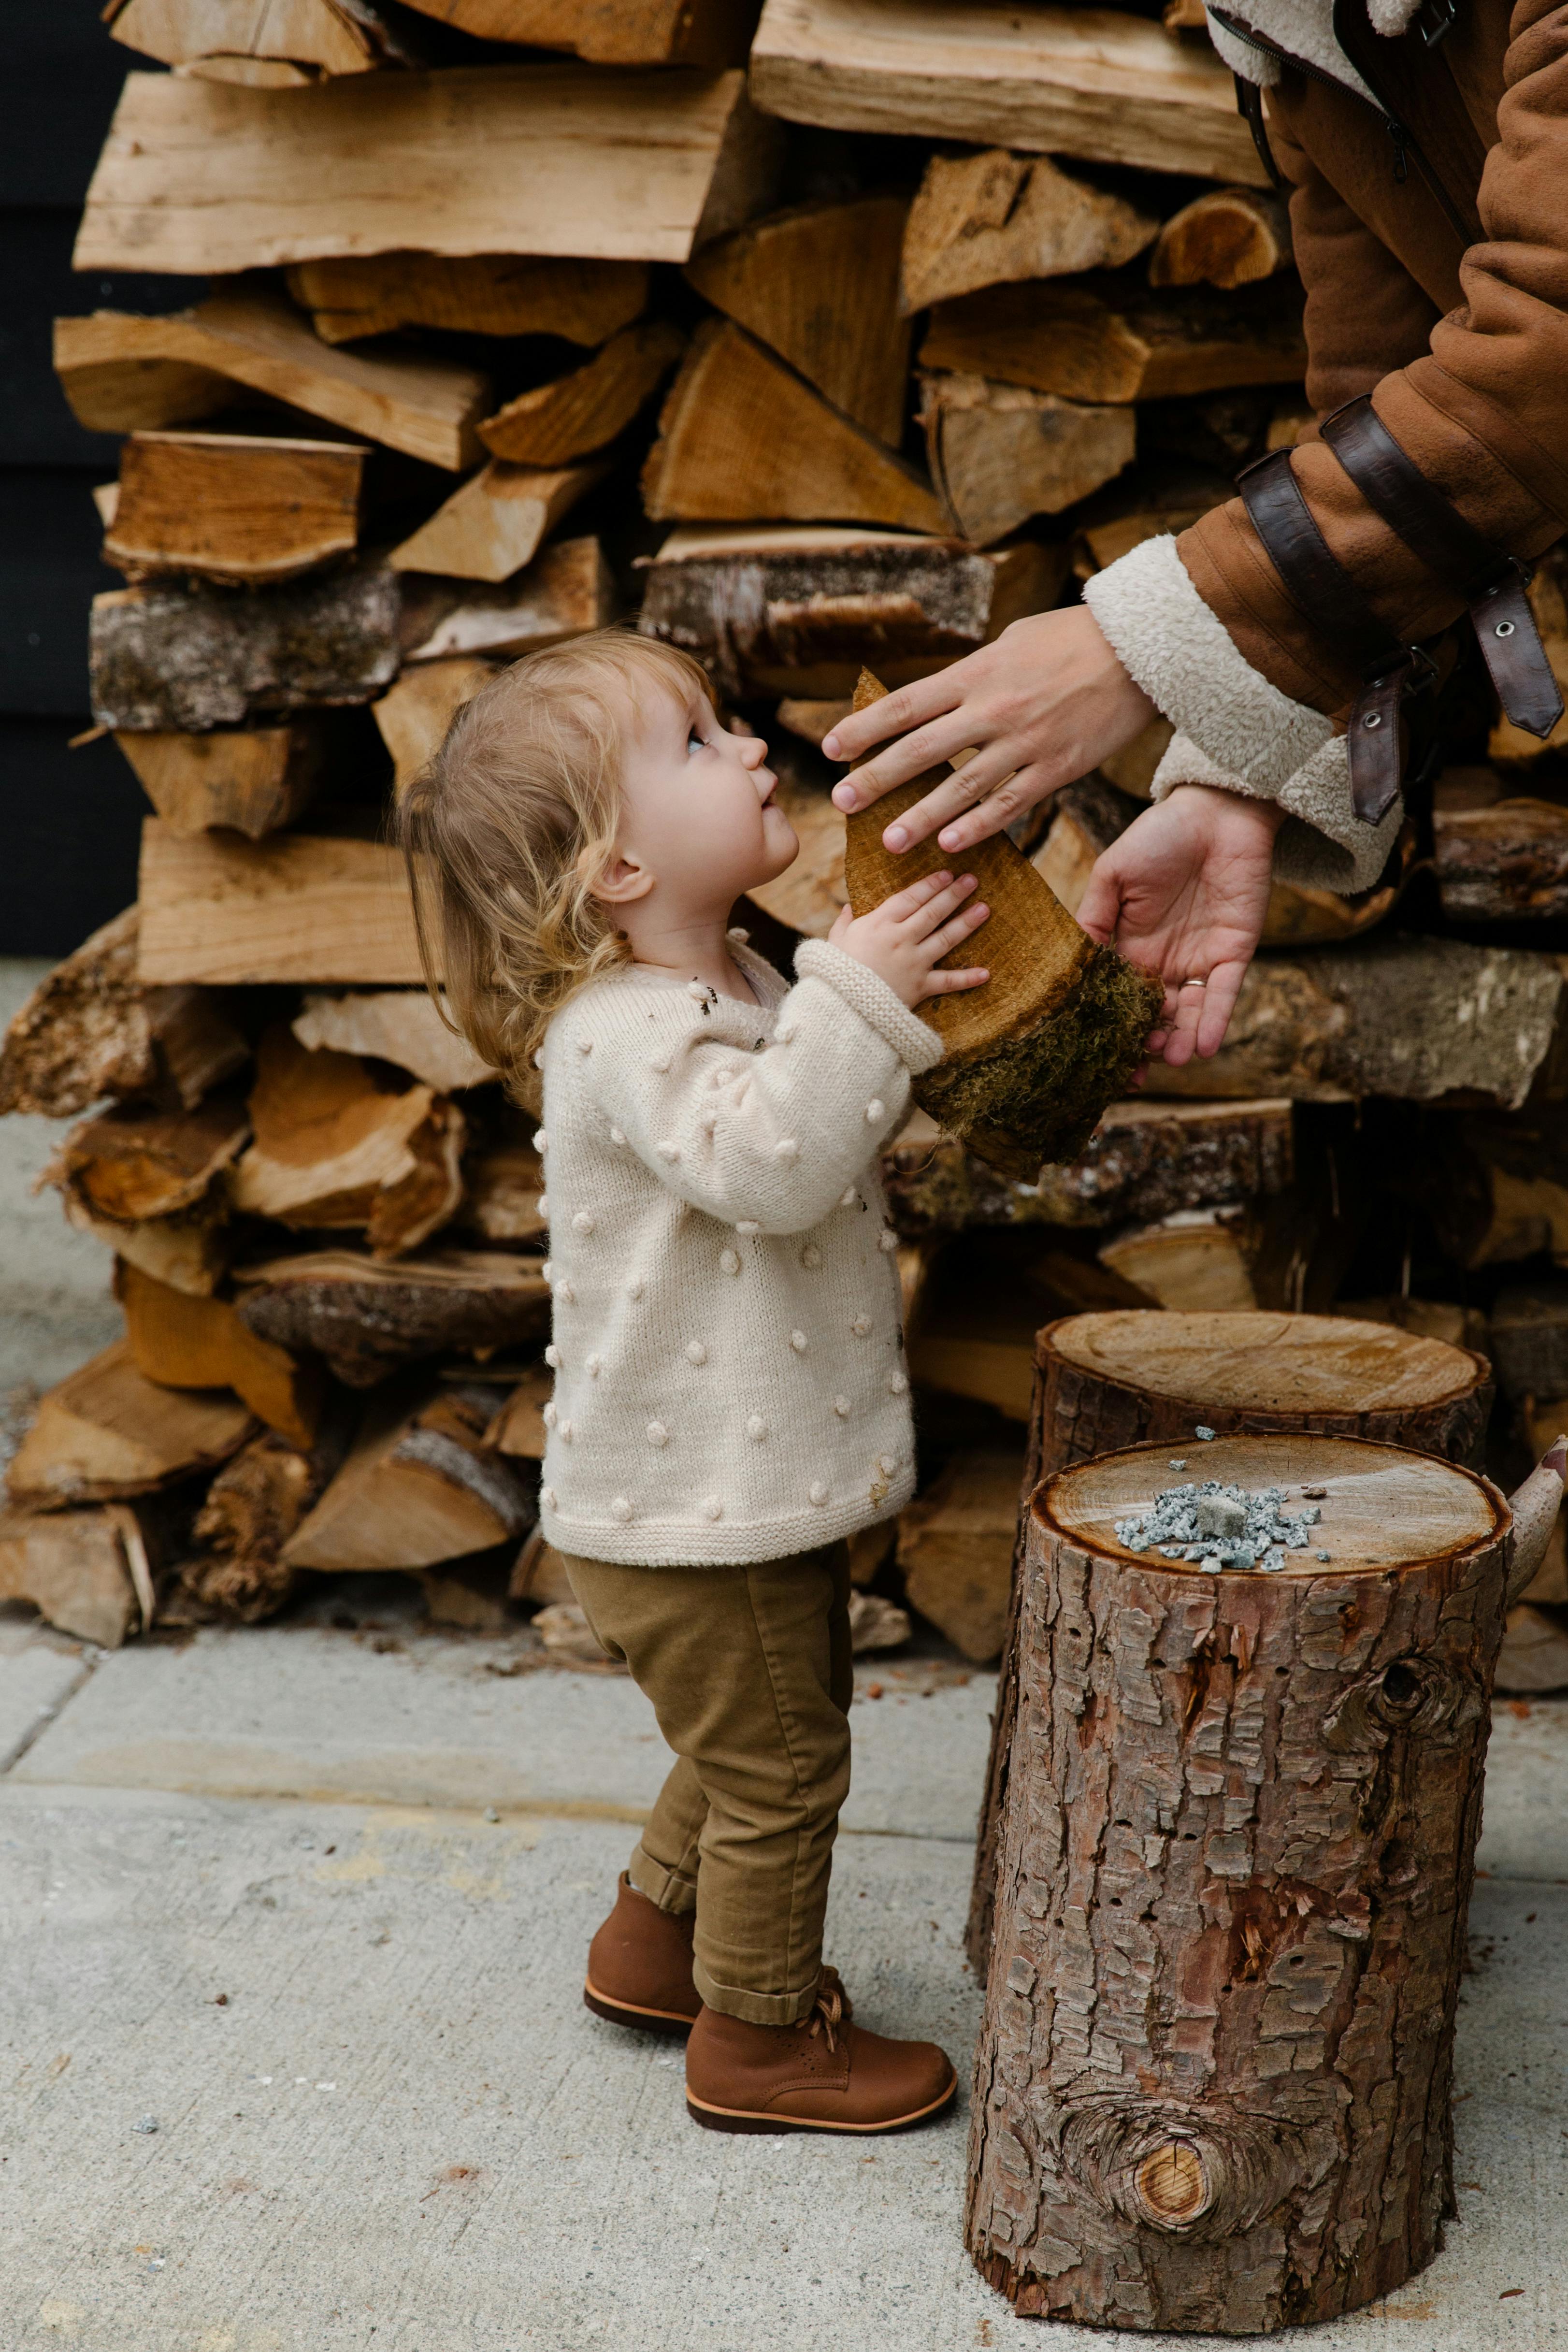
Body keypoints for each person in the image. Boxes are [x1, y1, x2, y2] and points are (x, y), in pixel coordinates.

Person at [397, 629, 993, 2135]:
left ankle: (649, 1948)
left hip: (732, 1482)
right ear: (613, 870)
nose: (745, 747)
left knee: (741, 1734)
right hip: (683, 1503)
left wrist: (862, 990)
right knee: (787, 1763)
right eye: (694, 742)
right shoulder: (622, 1028)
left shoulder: (731, 967)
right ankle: (758, 2036)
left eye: (722, 723)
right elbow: (771, 1158)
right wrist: (858, 998)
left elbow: (813, 1090)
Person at [824, 0, 1568, 1067]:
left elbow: (1549, 358)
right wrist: (1246, 765)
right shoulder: (1296, 25)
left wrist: (1140, 641)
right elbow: (1389, 407)